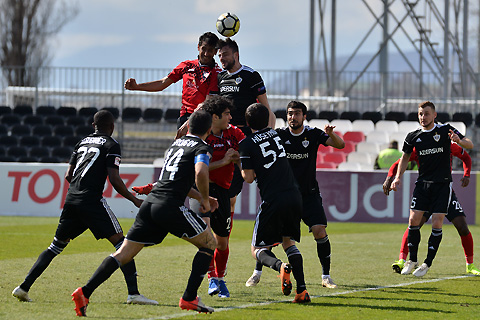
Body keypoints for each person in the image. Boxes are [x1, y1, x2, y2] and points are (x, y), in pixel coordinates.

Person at [12, 110, 157, 306]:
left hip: (72, 200)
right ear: (112, 127)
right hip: (91, 201)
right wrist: (134, 200)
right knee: (123, 245)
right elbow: (114, 178)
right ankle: (133, 294)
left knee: (55, 246)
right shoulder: (111, 145)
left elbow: (68, 175)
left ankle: (23, 287)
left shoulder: (82, 142)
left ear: (93, 125)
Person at [245, 101, 344, 289]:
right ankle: (257, 273)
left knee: (319, 231)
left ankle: (326, 276)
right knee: (273, 237)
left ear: (304, 116)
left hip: (308, 194)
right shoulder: (279, 136)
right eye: (290, 113)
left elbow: (340, 145)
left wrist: (331, 134)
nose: (293, 117)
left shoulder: (313, 134)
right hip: (285, 195)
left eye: (297, 113)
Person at [390, 101, 473, 277]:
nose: (423, 117)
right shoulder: (413, 136)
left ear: (434, 115)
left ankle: (427, 263)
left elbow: (469, 145)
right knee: (413, 221)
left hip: (442, 185)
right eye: (420, 114)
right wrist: (396, 178)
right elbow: (403, 158)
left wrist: (459, 140)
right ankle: (411, 260)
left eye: (427, 113)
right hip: (422, 184)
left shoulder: (445, 130)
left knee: (437, 223)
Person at [239, 103, 310, 303]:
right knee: (289, 243)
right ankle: (302, 291)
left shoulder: (246, 144)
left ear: (247, 122)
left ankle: (280, 267)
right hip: (294, 196)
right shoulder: (275, 134)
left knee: (257, 250)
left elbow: (249, 178)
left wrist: (238, 161)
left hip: (273, 199)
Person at [384, 144, 480, 276]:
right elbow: (399, 162)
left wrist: (467, 174)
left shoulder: (449, 146)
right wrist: (391, 177)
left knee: (462, 227)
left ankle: (470, 265)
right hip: (426, 192)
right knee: (414, 224)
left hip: (445, 193)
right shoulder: (419, 147)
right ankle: (402, 260)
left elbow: (466, 157)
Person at [216, 38, 276, 223]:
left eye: (225, 55)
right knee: (228, 194)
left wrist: (267, 136)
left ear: (236, 54)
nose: (221, 59)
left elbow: (266, 109)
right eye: (219, 56)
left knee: (263, 186)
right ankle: (223, 234)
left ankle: (275, 229)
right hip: (227, 139)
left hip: (248, 138)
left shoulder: (251, 76)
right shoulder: (220, 78)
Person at [124, 32, 221, 128]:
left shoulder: (217, 73)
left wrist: (192, 120)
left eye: (210, 50)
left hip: (204, 119)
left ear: (215, 51)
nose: (206, 53)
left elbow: (209, 102)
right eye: (204, 49)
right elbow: (162, 83)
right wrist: (137, 87)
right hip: (185, 117)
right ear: (198, 47)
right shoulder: (187, 65)